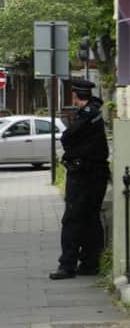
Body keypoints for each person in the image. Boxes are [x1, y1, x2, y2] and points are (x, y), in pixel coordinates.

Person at [49, 79, 110, 280]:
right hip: (95, 174)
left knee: (72, 220)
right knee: (90, 219)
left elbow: (67, 138)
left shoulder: (88, 114)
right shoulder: (96, 110)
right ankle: (89, 263)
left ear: (75, 96)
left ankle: (67, 265)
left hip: (84, 175)